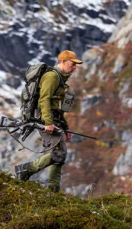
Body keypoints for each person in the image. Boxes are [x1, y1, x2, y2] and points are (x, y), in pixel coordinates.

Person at [14, 50, 82, 192]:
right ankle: (25, 169)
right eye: (73, 64)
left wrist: (65, 126)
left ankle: (53, 190)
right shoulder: (52, 76)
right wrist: (48, 123)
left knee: (59, 156)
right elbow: (43, 100)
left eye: (76, 65)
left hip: (53, 120)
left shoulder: (61, 78)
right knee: (59, 154)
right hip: (44, 120)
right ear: (63, 62)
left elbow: (56, 107)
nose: (75, 67)